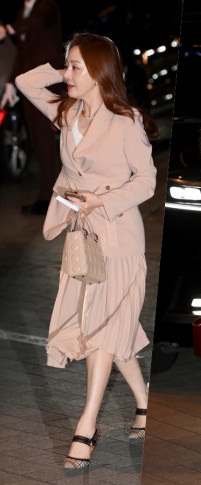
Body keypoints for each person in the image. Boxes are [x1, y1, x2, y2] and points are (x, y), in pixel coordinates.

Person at [14, 33, 158, 468]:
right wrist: (64, 69)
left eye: (77, 66)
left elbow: (147, 180)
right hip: (81, 238)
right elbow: (24, 82)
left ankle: (86, 425)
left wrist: (103, 200)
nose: (68, 75)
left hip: (117, 235)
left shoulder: (126, 120)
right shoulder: (67, 112)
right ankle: (145, 404)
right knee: (112, 329)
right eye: (68, 65)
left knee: (102, 330)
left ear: (99, 70)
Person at [0, 0, 62, 215]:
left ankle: (48, 199)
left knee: (44, 138)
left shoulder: (46, 6)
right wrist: (10, 83)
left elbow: (37, 21)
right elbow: (22, 52)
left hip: (46, 78)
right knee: (36, 139)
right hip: (28, 81)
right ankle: (49, 195)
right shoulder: (22, 12)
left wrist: (8, 28)